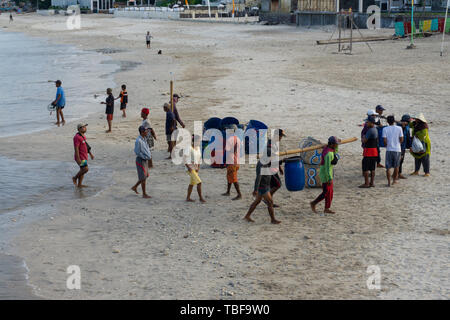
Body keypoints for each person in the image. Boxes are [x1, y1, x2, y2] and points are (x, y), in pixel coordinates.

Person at [253, 129, 286, 207]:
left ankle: (268, 200)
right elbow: (271, 159)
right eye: (281, 136)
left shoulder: (275, 143)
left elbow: (275, 157)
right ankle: (268, 199)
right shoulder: (270, 144)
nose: (281, 138)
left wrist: (280, 168)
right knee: (277, 185)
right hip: (270, 168)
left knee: (273, 185)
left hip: (273, 166)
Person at [310, 136, 340, 214]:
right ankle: (313, 203)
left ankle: (327, 208)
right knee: (326, 192)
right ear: (332, 144)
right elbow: (327, 167)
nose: (337, 145)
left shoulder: (328, 148)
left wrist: (338, 145)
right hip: (326, 174)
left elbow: (335, 152)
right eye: (336, 144)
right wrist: (329, 178)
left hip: (328, 173)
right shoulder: (328, 154)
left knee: (330, 192)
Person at [222, 124, 242, 200]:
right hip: (236, 161)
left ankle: (239, 194)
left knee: (233, 179)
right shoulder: (238, 139)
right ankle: (228, 191)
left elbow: (226, 152)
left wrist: (223, 162)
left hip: (231, 161)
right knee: (229, 177)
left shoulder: (229, 140)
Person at [131, 126, 152, 199]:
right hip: (140, 160)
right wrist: (145, 157)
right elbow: (137, 152)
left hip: (145, 160)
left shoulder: (144, 138)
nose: (147, 132)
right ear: (142, 132)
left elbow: (147, 149)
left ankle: (135, 187)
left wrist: (149, 158)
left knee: (145, 176)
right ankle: (144, 194)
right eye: (146, 131)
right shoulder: (138, 141)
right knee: (143, 177)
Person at [382, 115, 404, 187]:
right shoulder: (399, 128)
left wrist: (388, 145)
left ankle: (388, 182)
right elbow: (401, 139)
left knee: (388, 167)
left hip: (389, 149)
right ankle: (394, 180)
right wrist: (397, 143)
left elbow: (384, 141)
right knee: (396, 166)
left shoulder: (385, 129)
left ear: (387, 121)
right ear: (394, 121)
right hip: (397, 149)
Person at [184, 135, 206, 203]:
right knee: (199, 182)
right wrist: (188, 167)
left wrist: (198, 167)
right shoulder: (189, 148)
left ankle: (188, 198)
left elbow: (199, 158)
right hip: (190, 168)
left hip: (195, 168)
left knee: (192, 183)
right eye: (198, 141)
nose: (199, 142)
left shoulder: (198, 148)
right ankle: (200, 198)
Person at [72, 124, 94, 188]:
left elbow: (86, 145)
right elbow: (76, 148)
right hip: (80, 157)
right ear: (79, 129)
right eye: (83, 127)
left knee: (82, 170)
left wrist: (90, 154)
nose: (85, 128)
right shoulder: (77, 137)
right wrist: (78, 158)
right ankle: (75, 178)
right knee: (85, 169)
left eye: (85, 127)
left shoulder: (82, 136)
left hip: (84, 156)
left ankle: (79, 184)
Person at [359, 117, 378, 188]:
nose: (366, 123)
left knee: (365, 167)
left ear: (371, 123)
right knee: (372, 168)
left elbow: (364, 140)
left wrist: (363, 137)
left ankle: (366, 183)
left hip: (369, 151)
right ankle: (372, 182)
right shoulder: (375, 129)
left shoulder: (370, 130)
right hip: (374, 151)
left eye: (367, 122)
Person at [398, 114, 413, 179]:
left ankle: (398, 173)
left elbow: (408, 137)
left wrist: (410, 146)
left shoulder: (407, 126)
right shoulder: (399, 127)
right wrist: (403, 127)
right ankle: (398, 173)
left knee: (401, 160)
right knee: (399, 160)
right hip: (399, 146)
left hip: (403, 146)